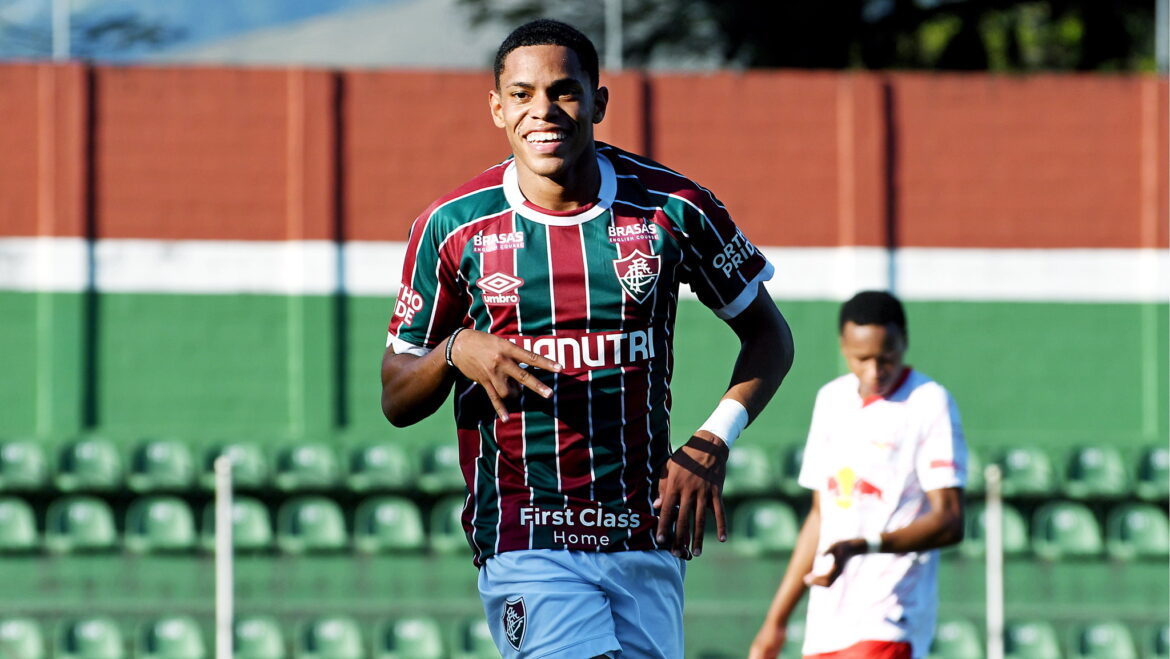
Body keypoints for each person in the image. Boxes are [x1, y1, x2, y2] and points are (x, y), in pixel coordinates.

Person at [381, 18, 793, 659]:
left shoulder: (672, 208)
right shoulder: (454, 226)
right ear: (497, 108)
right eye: (521, 94)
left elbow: (769, 336)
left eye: (563, 91)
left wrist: (713, 440)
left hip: (645, 530)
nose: (542, 110)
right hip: (526, 529)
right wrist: (457, 348)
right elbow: (397, 395)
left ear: (598, 101)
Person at [749, 291, 966, 659]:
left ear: (905, 342)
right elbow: (821, 517)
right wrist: (776, 621)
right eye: (861, 358)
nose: (874, 370)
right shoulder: (831, 400)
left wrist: (866, 545)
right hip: (826, 623)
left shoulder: (929, 401)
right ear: (843, 347)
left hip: (889, 618)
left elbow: (950, 520)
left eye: (887, 357)